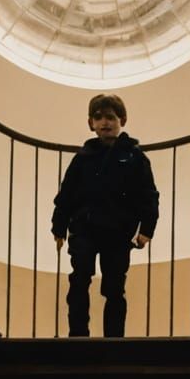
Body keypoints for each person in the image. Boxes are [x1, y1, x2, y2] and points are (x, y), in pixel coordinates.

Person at [51, 93, 159, 338]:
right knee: (79, 279)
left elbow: (149, 196)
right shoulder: (82, 158)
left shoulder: (135, 157)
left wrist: (146, 230)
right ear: (91, 123)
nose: (105, 122)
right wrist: (59, 228)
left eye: (110, 117)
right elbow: (65, 195)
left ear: (122, 119)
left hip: (118, 232)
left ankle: (114, 339)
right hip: (84, 228)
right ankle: (78, 335)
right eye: (98, 118)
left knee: (114, 287)